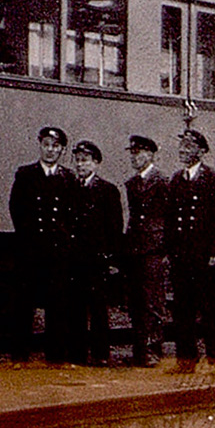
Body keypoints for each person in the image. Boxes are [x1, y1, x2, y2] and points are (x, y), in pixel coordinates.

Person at [165, 127, 215, 370]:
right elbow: (170, 220)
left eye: (189, 146)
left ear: (201, 151)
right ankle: (186, 359)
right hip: (182, 257)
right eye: (181, 145)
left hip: (204, 257)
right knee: (182, 310)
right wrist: (170, 252)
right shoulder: (176, 180)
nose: (183, 150)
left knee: (211, 308)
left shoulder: (213, 179)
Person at [8, 126, 76, 362]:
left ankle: (55, 356)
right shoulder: (25, 174)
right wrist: (27, 237)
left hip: (57, 250)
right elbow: (16, 208)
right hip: (31, 248)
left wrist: (64, 239)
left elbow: (72, 214)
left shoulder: (68, 178)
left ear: (62, 150)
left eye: (55, 146)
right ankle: (20, 355)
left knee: (57, 302)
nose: (50, 150)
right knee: (24, 302)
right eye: (46, 145)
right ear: (40, 146)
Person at [70, 140, 122, 366]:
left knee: (98, 308)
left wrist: (112, 258)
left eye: (85, 160)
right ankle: (78, 353)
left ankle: (101, 354)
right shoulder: (70, 188)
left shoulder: (107, 190)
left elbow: (115, 227)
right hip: (75, 258)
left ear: (96, 163)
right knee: (76, 307)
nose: (80, 165)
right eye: (78, 160)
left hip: (97, 259)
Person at [123, 134, 170, 367]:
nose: (135, 157)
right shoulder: (132, 184)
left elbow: (169, 216)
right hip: (135, 248)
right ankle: (139, 349)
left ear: (150, 154)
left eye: (139, 153)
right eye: (132, 153)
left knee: (153, 301)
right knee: (136, 302)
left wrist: (167, 250)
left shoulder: (161, 182)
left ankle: (153, 349)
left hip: (154, 248)